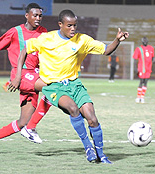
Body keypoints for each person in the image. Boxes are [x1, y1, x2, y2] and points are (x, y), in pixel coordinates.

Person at [9, 9, 129, 163]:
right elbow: (25, 50)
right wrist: (18, 74)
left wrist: (117, 40)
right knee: (73, 109)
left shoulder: (82, 40)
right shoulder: (46, 38)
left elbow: (106, 50)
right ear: (60, 24)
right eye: (69, 25)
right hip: (53, 86)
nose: (73, 29)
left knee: (92, 119)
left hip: (74, 85)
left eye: (75, 25)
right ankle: (88, 148)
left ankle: (102, 155)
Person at [0, 3, 52, 156]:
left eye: (40, 16)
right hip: (21, 74)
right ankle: (31, 128)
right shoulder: (15, 32)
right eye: (35, 15)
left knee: (22, 122)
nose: (38, 18)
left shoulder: (43, 32)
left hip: (36, 75)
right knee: (55, 87)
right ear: (27, 16)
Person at [133, 37, 154, 103]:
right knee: (141, 82)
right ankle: (138, 97)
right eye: (143, 41)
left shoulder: (151, 48)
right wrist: (136, 68)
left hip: (148, 68)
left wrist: (152, 63)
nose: (145, 42)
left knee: (146, 82)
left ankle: (142, 97)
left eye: (146, 40)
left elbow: (153, 57)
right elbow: (135, 58)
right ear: (142, 41)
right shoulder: (139, 49)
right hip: (142, 68)